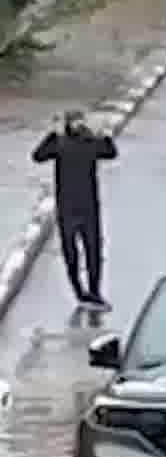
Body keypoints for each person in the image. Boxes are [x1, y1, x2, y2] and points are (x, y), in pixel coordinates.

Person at [31, 109, 117, 309]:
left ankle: (95, 292)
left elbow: (111, 153)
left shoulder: (91, 142)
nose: (78, 125)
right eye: (74, 122)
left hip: (89, 207)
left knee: (93, 251)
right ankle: (79, 292)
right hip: (67, 208)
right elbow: (38, 156)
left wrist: (104, 134)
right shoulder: (60, 144)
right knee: (70, 254)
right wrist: (51, 134)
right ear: (68, 124)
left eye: (80, 122)